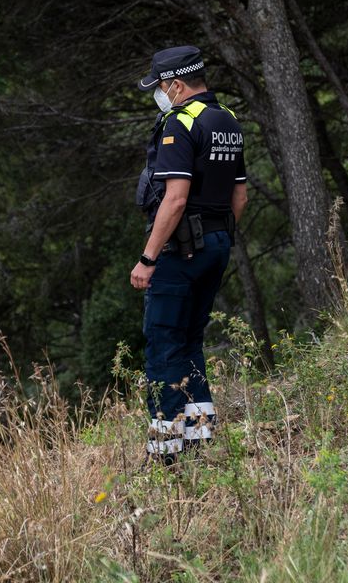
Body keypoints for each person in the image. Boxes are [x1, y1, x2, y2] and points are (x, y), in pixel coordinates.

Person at [131, 45, 247, 461]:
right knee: (192, 339)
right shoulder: (227, 120)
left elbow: (175, 199)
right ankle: (200, 435)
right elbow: (240, 194)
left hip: (180, 250)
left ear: (177, 84)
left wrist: (148, 258)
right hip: (216, 243)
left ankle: (164, 448)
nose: (160, 94)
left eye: (161, 86)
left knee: (164, 342)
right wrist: (220, 239)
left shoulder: (179, 124)